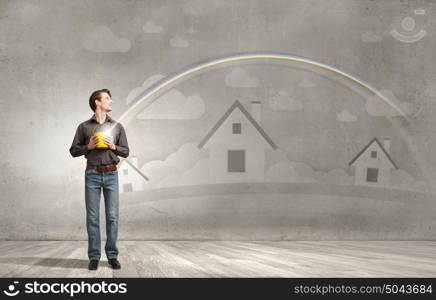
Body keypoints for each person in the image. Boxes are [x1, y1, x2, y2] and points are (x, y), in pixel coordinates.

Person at [69, 88, 129, 271]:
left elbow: (126, 151)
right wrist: (88, 146)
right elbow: (73, 151)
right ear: (97, 102)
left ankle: (112, 256)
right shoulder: (84, 127)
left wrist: (113, 146)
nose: (111, 101)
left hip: (111, 174)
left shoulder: (117, 126)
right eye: (107, 98)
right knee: (93, 218)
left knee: (112, 217)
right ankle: (94, 257)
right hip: (92, 174)